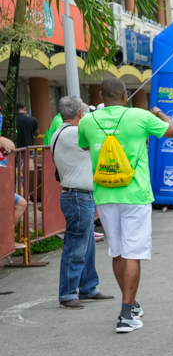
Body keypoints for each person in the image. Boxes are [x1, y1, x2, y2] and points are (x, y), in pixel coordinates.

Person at [77, 77, 173, 333]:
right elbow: (172, 130)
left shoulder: (88, 120)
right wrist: (158, 112)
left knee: (118, 251)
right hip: (135, 194)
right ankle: (125, 315)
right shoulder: (139, 117)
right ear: (125, 94)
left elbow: (84, 145)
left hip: (105, 193)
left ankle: (130, 305)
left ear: (101, 96)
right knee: (133, 252)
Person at [52, 97, 114, 309]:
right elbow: (103, 138)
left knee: (86, 246)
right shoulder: (72, 133)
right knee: (77, 247)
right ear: (79, 113)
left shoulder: (60, 132)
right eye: (85, 112)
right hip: (79, 196)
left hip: (78, 195)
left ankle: (88, 287)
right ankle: (68, 293)